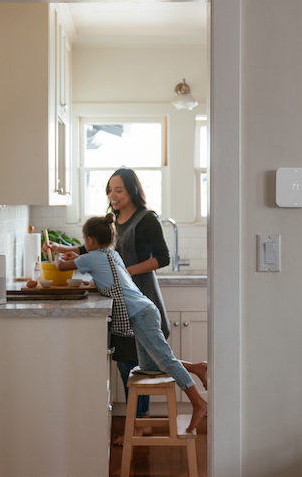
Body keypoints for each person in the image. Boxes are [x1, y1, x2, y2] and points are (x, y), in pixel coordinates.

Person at [47, 168, 173, 442]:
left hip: (140, 298)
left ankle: (140, 423)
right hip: (121, 304)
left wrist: (126, 270)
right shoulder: (112, 219)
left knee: (137, 365)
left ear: (132, 191)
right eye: (109, 190)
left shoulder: (147, 219)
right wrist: (63, 249)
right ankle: (138, 422)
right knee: (129, 364)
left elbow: (163, 258)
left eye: (119, 190)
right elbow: (102, 250)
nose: (112, 195)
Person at [55, 214, 208, 433]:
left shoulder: (92, 257)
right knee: (150, 367)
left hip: (141, 314)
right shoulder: (112, 254)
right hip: (145, 309)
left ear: (89, 240)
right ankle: (197, 367)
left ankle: (198, 402)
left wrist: (57, 256)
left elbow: (61, 266)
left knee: (164, 359)